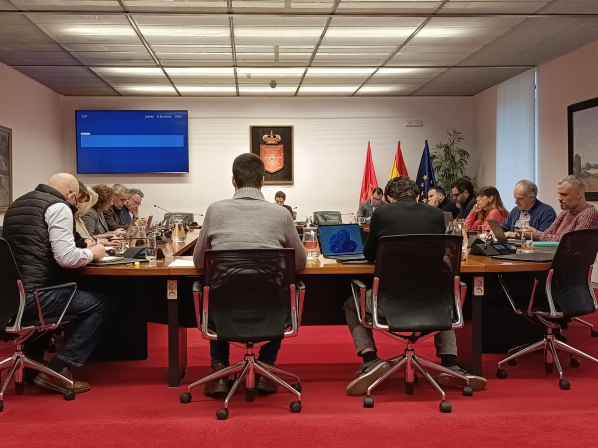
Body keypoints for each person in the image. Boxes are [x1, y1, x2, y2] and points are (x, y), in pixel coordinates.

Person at [344, 176, 486, 396]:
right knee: (443, 295)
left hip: (389, 305)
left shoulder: (382, 213)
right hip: (433, 304)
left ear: (390, 197)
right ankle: (450, 365)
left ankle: (370, 360)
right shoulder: (436, 214)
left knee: (351, 304)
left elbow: (369, 254)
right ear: (417, 195)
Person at [193, 153, 307, 397]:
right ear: (263, 181)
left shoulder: (215, 210)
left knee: (217, 289)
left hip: (223, 311)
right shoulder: (281, 214)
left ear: (233, 181)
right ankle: (266, 366)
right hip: (271, 310)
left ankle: (220, 368)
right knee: (278, 289)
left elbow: (199, 263)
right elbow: (299, 263)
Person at [2, 173, 113, 394]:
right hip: (36, 298)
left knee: (60, 292)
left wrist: (84, 245)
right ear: (71, 194)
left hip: (9, 298)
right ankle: (56, 369)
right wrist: (95, 253)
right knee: (103, 304)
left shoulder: (17, 204)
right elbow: (67, 258)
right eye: (76, 199)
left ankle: (32, 365)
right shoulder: (58, 207)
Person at [518, 174, 598, 241]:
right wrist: (531, 233)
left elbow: (572, 242)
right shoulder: (565, 213)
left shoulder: (589, 214)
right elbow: (546, 234)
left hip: (570, 256)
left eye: (564, 194)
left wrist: (535, 234)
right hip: (554, 254)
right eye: (559, 194)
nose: (559, 198)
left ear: (578, 194)